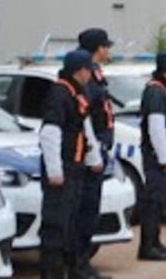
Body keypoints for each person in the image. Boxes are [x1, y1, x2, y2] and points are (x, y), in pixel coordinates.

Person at [39, 49, 104, 279]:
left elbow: (83, 130)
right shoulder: (60, 94)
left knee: (71, 224)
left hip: (75, 169)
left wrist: (93, 158)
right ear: (81, 71)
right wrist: (55, 171)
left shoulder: (75, 93)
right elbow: (50, 133)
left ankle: (73, 269)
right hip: (63, 171)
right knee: (55, 226)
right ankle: (52, 273)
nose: (91, 74)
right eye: (89, 70)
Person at [74, 29, 114, 279]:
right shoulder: (86, 78)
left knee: (90, 211)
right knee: (84, 212)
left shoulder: (95, 75)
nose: (109, 51)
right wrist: (94, 154)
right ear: (98, 48)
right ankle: (78, 265)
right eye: (106, 46)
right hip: (90, 153)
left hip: (98, 148)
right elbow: (85, 118)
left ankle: (82, 263)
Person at [138, 52, 166, 261]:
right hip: (157, 158)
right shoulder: (156, 92)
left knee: (160, 200)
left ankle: (155, 241)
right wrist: (165, 159)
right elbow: (156, 128)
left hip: (163, 155)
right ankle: (147, 245)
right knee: (153, 202)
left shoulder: (162, 89)